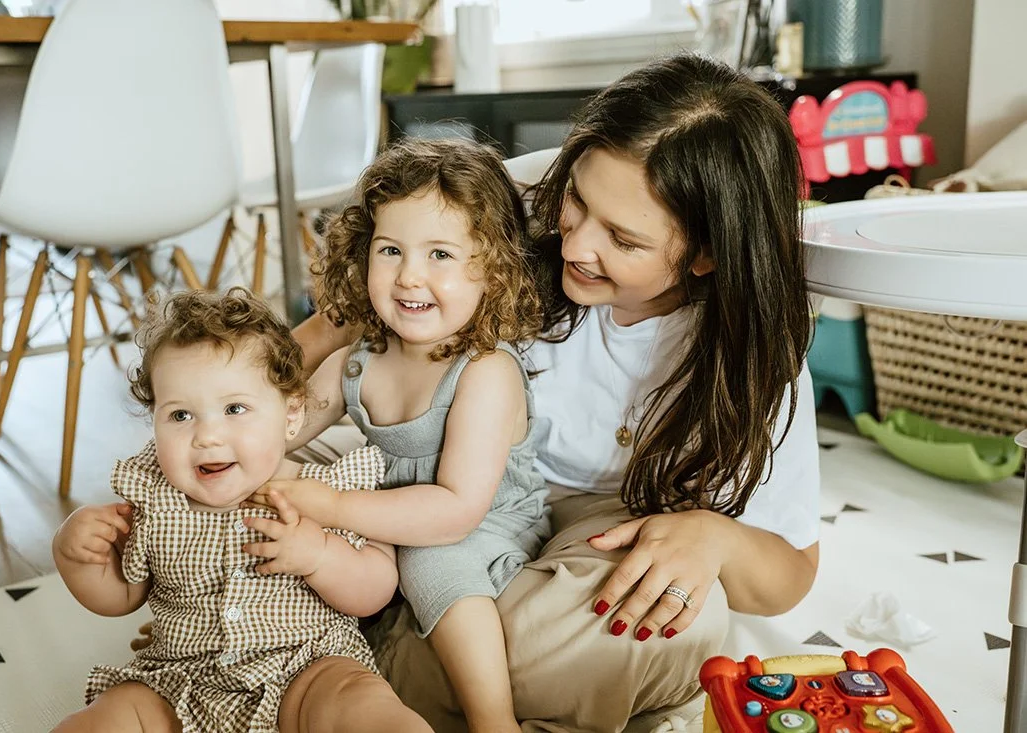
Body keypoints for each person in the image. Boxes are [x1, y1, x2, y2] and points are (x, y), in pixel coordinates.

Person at [283, 53, 821, 732]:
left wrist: (714, 537)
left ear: (706, 253)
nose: (574, 245)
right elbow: (354, 308)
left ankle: (349, 663)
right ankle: (373, 660)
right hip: (412, 471)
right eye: (578, 202)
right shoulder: (511, 199)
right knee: (248, 489)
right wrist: (240, 402)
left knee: (683, 616)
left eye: (621, 238)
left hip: (578, 536)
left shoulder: (748, 355)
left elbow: (793, 570)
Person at [244, 138, 552, 733]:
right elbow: (282, 428)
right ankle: (211, 616)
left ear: (492, 268)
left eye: (440, 253)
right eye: (390, 250)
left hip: (481, 521)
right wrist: (239, 453)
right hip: (384, 510)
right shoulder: (365, 355)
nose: (409, 275)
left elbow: (456, 511)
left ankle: (495, 721)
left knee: (434, 563)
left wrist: (333, 505)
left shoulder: (486, 370)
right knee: (272, 507)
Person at [52, 288, 431, 733]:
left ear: (290, 415)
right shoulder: (155, 500)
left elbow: (376, 589)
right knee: (107, 718)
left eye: (234, 408)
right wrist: (77, 557)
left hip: (304, 672)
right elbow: (123, 596)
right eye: (179, 416)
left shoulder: (324, 494)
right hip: (180, 684)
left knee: (359, 704)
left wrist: (319, 556)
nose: (207, 436)